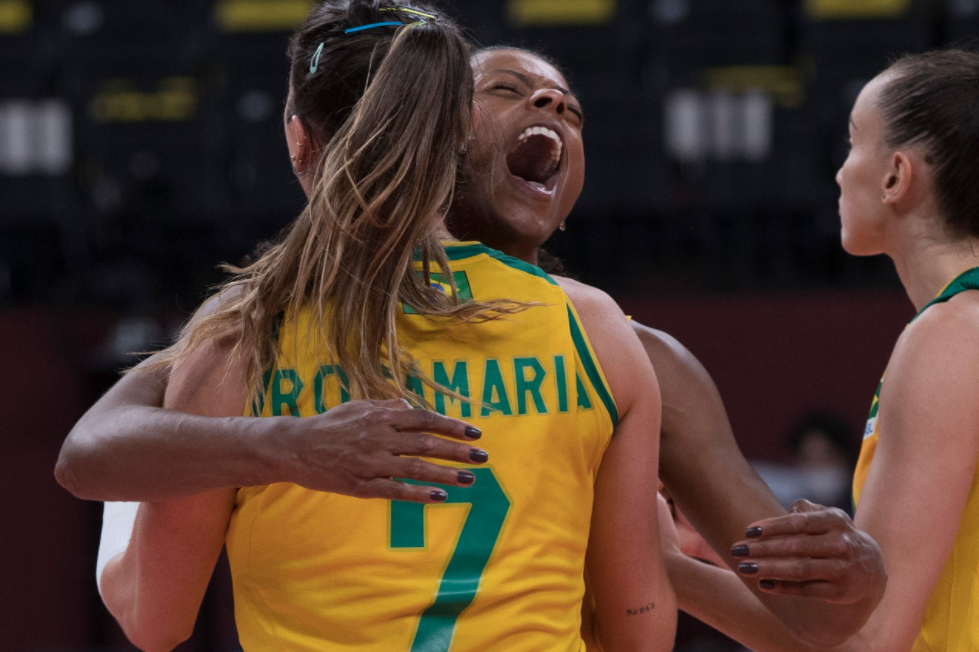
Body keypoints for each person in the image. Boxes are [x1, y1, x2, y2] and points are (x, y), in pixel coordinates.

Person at [57, 42, 884, 647]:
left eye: (569, 106)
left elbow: (806, 618)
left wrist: (853, 575)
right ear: (434, 141)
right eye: (509, 89)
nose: (552, 108)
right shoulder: (290, 321)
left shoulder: (632, 352)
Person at [89, 2, 676, 651]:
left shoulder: (242, 340)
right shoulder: (592, 330)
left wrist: (138, 468)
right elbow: (639, 634)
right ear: (458, 136)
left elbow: (153, 619)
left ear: (296, 140)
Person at [661, 48, 979, 652]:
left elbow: (865, 642)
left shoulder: (948, 339)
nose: (839, 172)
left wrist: (669, 569)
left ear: (896, 176)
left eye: (854, 142)